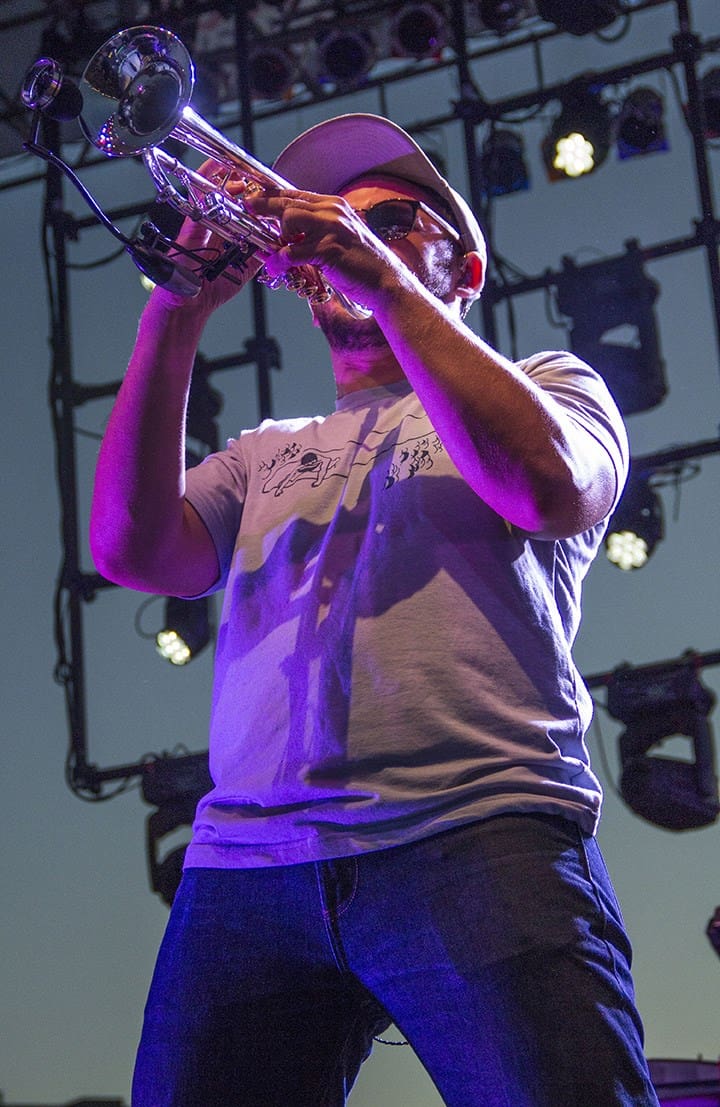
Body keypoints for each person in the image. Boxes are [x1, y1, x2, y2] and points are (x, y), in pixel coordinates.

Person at [89, 113, 661, 1106]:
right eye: (337, 227)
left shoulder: (555, 385)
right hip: (246, 869)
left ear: (464, 269)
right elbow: (132, 549)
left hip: (480, 830)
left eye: (391, 221)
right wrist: (175, 310)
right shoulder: (265, 451)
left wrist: (382, 280)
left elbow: (552, 487)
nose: (348, 238)